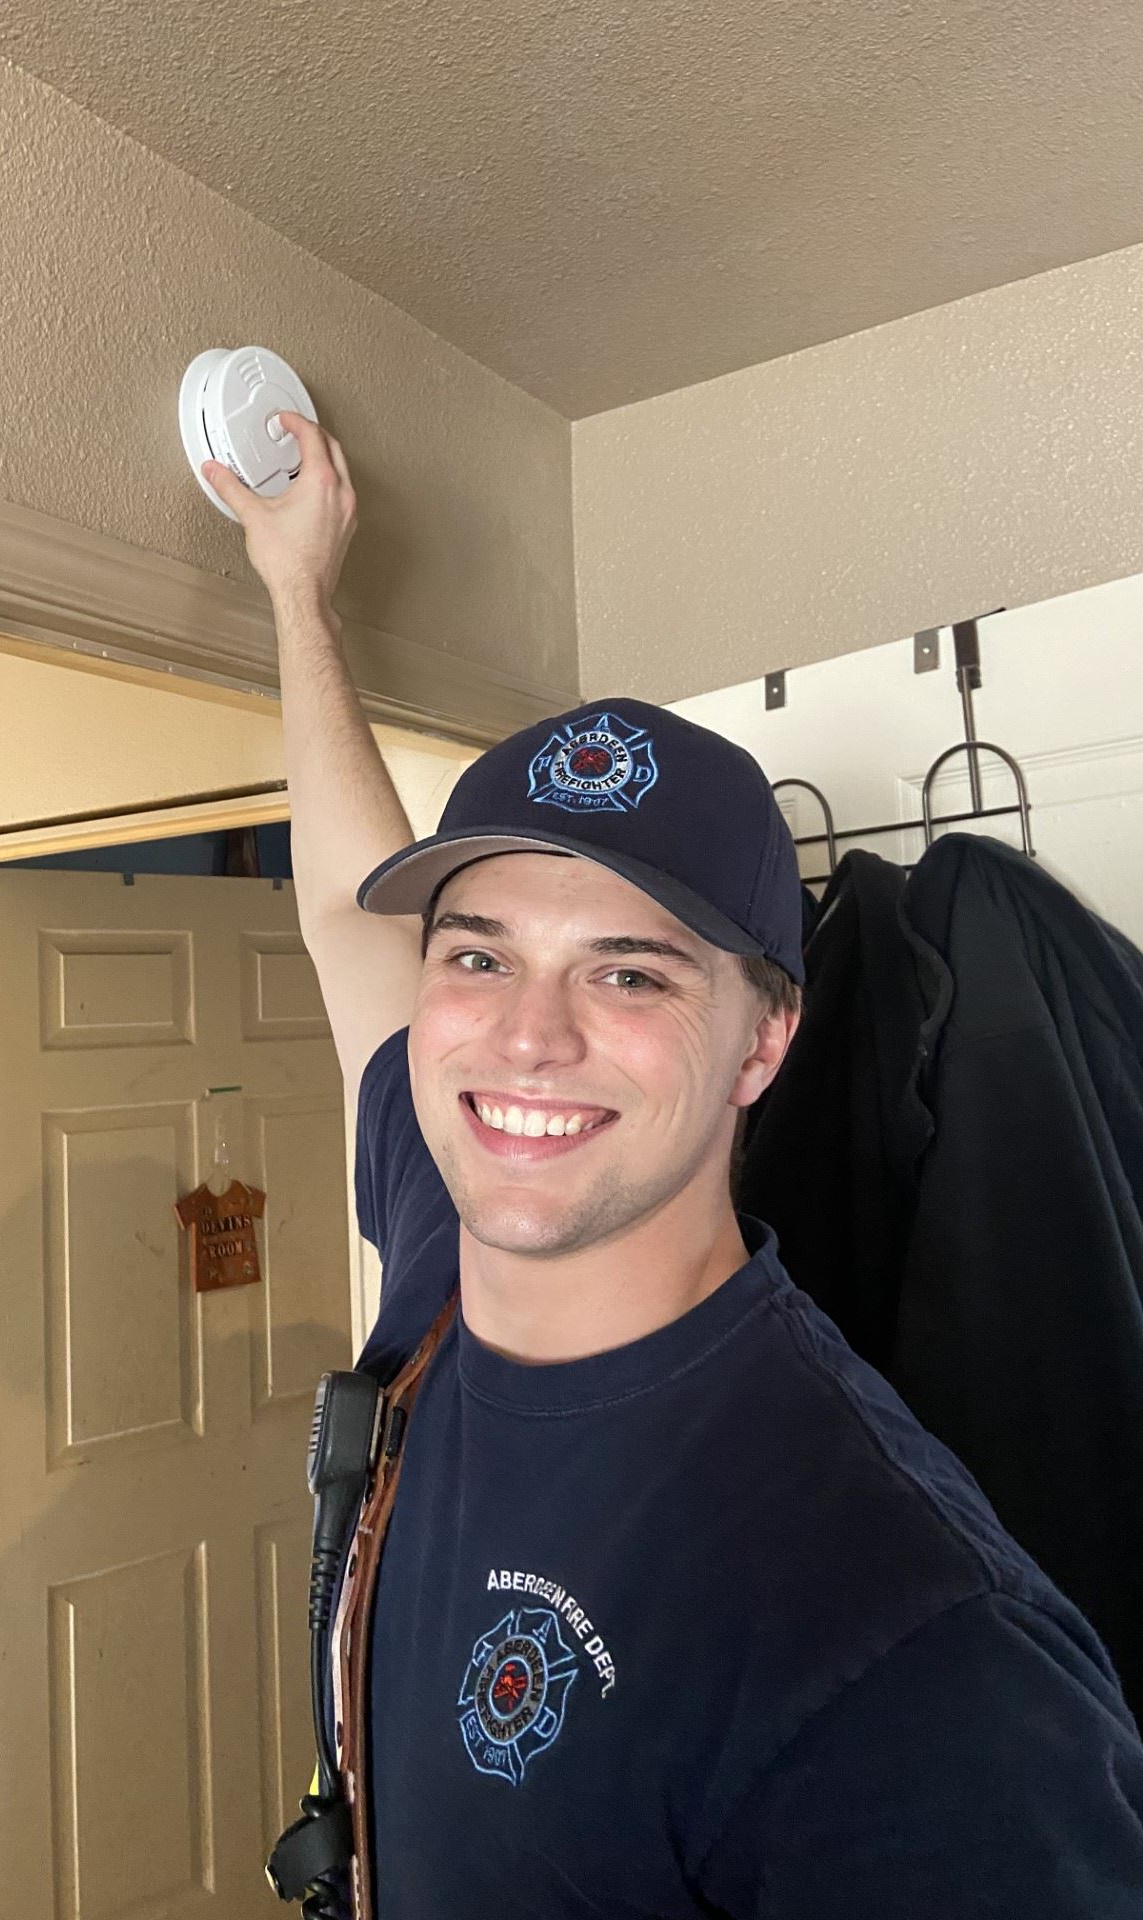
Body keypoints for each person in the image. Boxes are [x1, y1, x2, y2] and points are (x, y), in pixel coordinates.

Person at [201, 425, 1143, 1918]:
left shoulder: (910, 1638)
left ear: (765, 1040)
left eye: (628, 974)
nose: (527, 1039)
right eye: (479, 956)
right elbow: (341, 911)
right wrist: (297, 590)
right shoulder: (446, 1251)